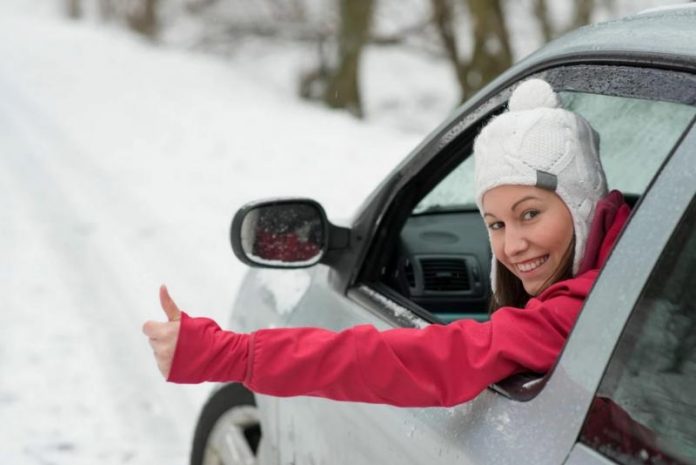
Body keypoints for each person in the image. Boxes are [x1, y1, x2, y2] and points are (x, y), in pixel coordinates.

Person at [142, 79, 631, 407]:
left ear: (582, 202)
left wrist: (232, 355)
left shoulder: (579, 312)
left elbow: (406, 361)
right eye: (496, 224)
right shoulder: (644, 254)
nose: (514, 245)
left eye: (530, 214)